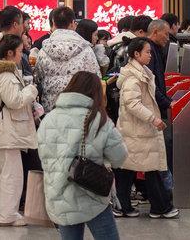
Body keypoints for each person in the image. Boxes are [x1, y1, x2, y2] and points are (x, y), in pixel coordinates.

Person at [37, 71, 128, 240]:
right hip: (92, 195)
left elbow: (44, 156)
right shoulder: (98, 119)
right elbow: (119, 157)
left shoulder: (48, 119)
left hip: (59, 195)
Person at [0, 34, 39, 227]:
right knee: (11, 174)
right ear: (10, 53)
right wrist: (31, 90)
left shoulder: (1, 73)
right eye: (20, 51)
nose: (22, 55)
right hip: (7, 132)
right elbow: (14, 101)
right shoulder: (5, 75)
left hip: (4, 131)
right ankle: (7, 215)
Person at [114, 37, 177, 219]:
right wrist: (153, 119)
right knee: (149, 168)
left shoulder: (141, 73)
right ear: (136, 54)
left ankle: (125, 206)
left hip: (137, 131)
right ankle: (160, 207)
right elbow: (132, 103)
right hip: (137, 130)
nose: (150, 55)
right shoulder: (133, 78)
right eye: (147, 52)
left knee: (131, 169)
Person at [34, 6, 101, 112]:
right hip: (79, 109)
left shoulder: (43, 51)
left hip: (52, 111)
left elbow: (38, 78)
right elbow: (96, 79)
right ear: (73, 23)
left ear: (53, 23)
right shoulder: (86, 50)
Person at [0, 6, 31, 76]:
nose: (23, 27)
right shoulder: (0, 46)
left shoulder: (4, 42)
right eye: (21, 23)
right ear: (15, 24)